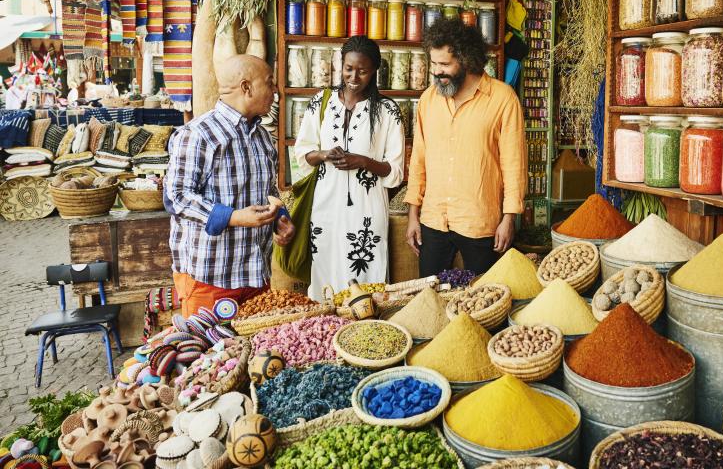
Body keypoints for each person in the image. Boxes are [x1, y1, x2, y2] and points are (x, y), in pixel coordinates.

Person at [165, 55, 295, 317]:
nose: (276, 91)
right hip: (210, 278)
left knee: (252, 354)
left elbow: (266, 192)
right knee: (209, 356)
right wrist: (234, 217)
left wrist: (280, 219)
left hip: (256, 275)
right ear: (246, 87)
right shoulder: (198, 134)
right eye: (269, 83)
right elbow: (176, 197)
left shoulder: (262, 137)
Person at [405, 18, 527, 276]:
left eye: (444, 64)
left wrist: (509, 218)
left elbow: (514, 164)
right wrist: (413, 215)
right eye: (433, 63)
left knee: (484, 300)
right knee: (430, 299)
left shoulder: (503, 99)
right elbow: (419, 160)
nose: (436, 71)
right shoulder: (428, 99)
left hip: (481, 222)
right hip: (433, 220)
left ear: (467, 59)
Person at [294, 36, 405, 300]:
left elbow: (397, 171)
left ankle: (364, 329)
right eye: (348, 68)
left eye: (363, 70)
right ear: (340, 66)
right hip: (325, 208)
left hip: (367, 209)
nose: (354, 76)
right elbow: (302, 153)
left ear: (375, 70)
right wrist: (323, 154)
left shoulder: (389, 111)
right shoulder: (321, 102)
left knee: (367, 277)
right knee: (325, 273)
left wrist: (363, 161)